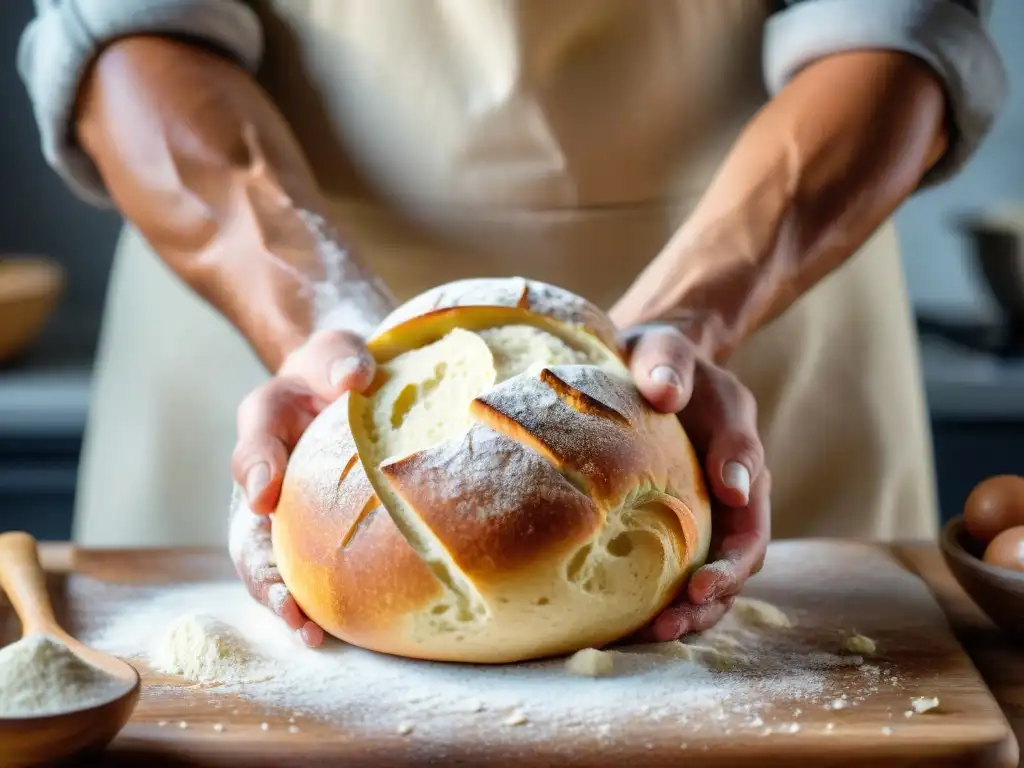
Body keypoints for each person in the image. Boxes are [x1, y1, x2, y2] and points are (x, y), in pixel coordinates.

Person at [19, 0, 1006, 647]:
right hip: (264, 289)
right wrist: (314, 317)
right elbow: (123, 29)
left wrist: (685, 320)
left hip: (756, 276)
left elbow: (901, 23)